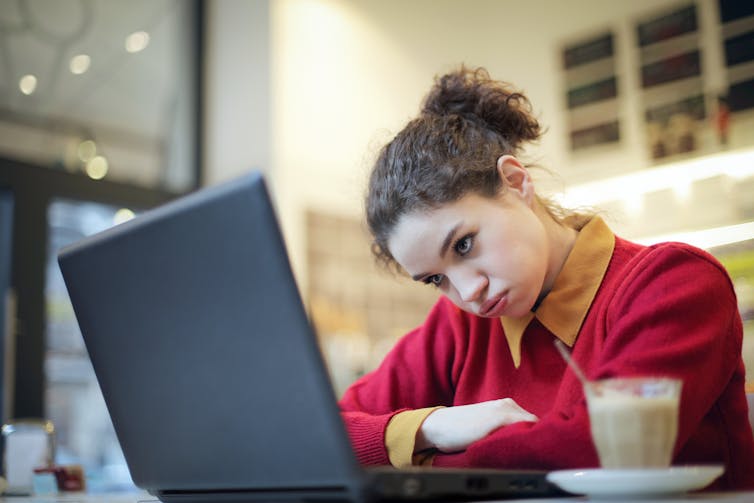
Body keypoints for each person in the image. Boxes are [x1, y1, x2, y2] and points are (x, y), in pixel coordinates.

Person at [337, 66, 754, 490]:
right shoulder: (460, 325)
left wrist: (417, 467)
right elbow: (318, 436)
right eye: (434, 280)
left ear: (516, 182)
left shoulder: (674, 283)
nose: (467, 292)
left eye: (464, 244)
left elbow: (599, 452)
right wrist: (435, 428)